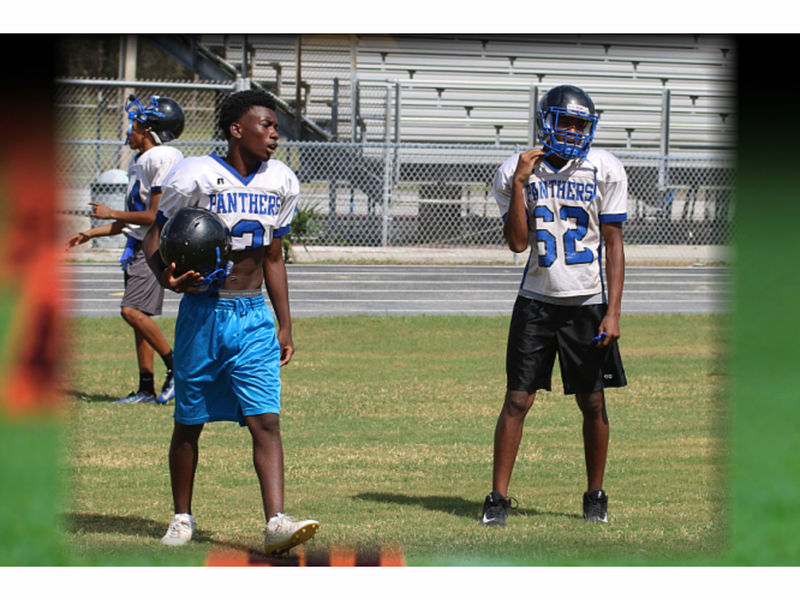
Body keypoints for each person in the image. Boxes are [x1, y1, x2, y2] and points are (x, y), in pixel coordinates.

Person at [143, 89, 319, 554]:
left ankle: (276, 521)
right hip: (203, 312)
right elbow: (153, 236)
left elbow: (274, 256)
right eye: (266, 124)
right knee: (189, 421)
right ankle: (182, 517)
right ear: (237, 129)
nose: (275, 133)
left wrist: (285, 323)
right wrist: (168, 278)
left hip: (252, 313)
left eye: (277, 126)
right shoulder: (194, 174)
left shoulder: (280, 180)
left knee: (266, 420)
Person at [480, 85, 628, 526]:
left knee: (594, 402)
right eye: (564, 121)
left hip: (587, 301)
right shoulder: (516, 169)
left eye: (580, 124)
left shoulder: (604, 168)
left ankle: (595, 495)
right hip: (537, 301)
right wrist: (524, 182)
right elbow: (517, 242)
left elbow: (615, 245)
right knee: (517, 400)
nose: (571, 131)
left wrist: (614, 311)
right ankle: (497, 499)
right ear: (546, 121)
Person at [66, 95, 185, 405]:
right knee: (139, 318)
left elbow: (153, 216)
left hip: (153, 245)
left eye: (136, 122)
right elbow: (133, 221)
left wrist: (111, 214)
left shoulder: (163, 157)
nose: (130, 129)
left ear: (149, 129)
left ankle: (177, 367)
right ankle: (146, 388)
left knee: (130, 311)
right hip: (137, 246)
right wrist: (90, 232)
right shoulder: (140, 161)